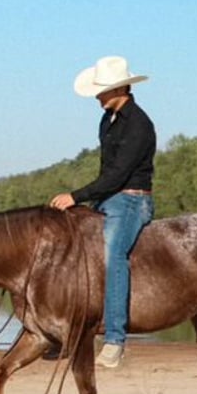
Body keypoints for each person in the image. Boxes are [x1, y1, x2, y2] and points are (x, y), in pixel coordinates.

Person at [50, 56, 156, 368]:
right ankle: (67, 330)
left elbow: (119, 174)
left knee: (113, 255)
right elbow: (107, 173)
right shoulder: (107, 120)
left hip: (132, 201)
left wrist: (76, 196)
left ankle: (114, 339)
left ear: (120, 88)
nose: (97, 96)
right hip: (108, 199)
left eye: (102, 90)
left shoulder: (139, 124)